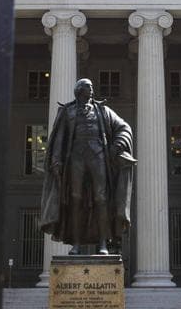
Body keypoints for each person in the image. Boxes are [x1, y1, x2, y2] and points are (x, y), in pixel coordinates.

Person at [39, 78, 135, 255]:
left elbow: (124, 127)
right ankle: (75, 244)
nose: (92, 90)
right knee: (75, 199)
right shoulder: (68, 111)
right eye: (88, 88)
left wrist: (116, 146)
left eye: (92, 87)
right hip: (76, 157)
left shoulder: (103, 110)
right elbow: (59, 138)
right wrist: (56, 160)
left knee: (101, 198)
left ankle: (103, 243)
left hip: (98, 155)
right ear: (79, 90)